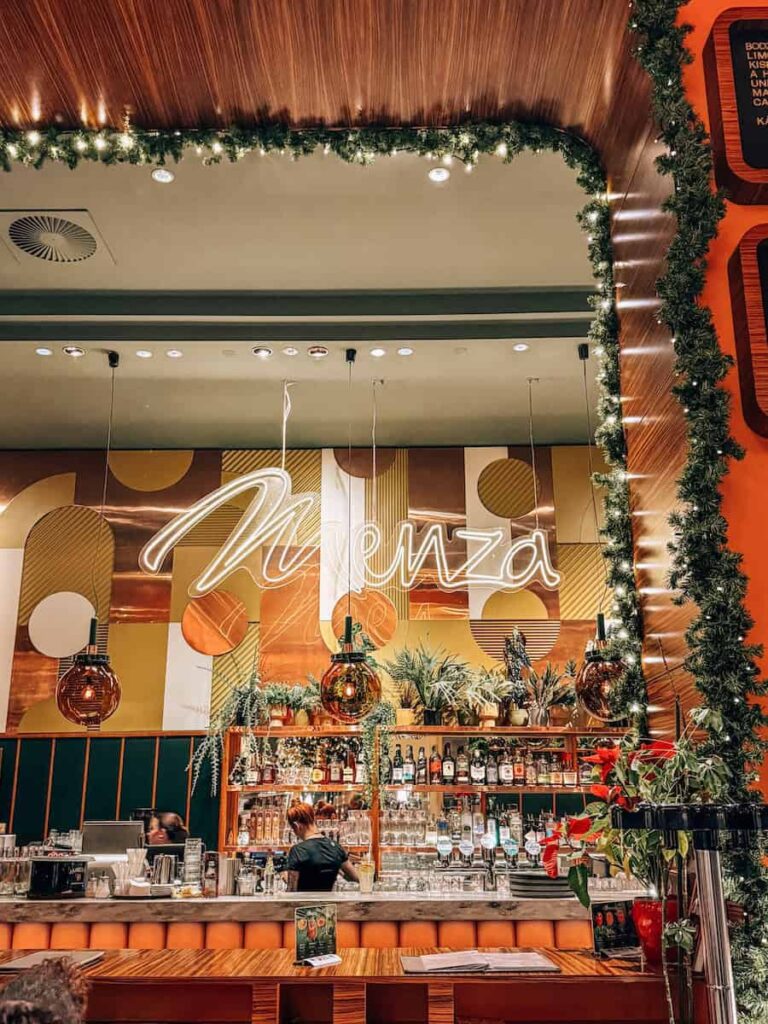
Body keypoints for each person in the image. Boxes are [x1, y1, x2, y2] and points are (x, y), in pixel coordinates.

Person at [285, 802, 359, 892]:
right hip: (330, 901)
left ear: (297, 826)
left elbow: (291, 890)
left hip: (304, 901)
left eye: (293, 829)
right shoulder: (336, 847)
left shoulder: (298, 851)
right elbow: (357, 878)